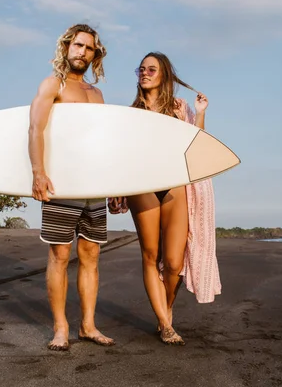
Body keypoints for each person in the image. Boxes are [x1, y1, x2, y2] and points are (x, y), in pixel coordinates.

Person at [108, 52, 221, 345]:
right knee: (149, 255)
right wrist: (116, 187)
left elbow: (196, 146)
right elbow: (123, 155)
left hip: (173, 185)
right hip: (142, 185)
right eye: (141, 69)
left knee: (172, 262)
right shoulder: (131, 113)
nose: (144, 73)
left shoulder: (178, 108)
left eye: (151, 69)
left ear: (164, 75)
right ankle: (165, 325)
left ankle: (165, 309)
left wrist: (201, 112)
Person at [28, 24, 115, 351]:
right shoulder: (53, 85)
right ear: (67, 47)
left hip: (94, 185)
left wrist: (115, 183)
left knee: (91, 254)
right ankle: (61, 328)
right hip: (61, 183)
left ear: (95, 54)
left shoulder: (97, 94)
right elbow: (35, 129)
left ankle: (88, 326)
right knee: (60, 255)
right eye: (78, 45)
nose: (82, 52)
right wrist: (38, 172)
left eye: (89, 48)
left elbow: (103, 143)